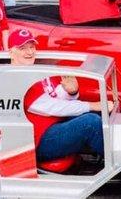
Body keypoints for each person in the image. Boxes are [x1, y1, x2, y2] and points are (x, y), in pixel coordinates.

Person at [9, 29, 113, 162]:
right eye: (23, 48)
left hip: (52, 125)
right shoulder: (16, 78)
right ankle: (118, 163)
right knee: (91, 122)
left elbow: (55, 96)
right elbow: (53, 107)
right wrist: (93, 106)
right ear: (11, 52)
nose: (29, 52)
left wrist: (71, 92)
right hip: (37, 141)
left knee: (100, 115)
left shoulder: (33, 71)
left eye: (32, 47)